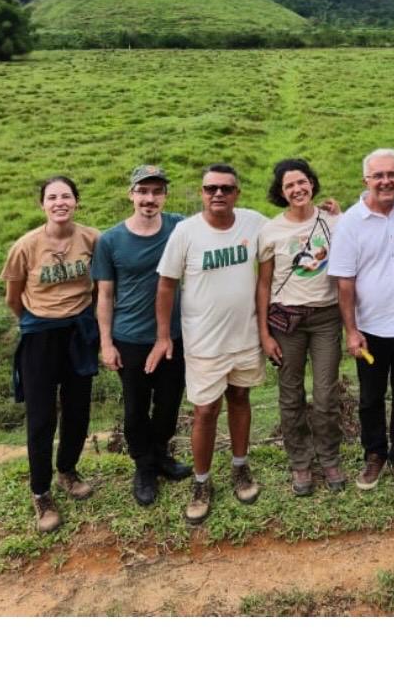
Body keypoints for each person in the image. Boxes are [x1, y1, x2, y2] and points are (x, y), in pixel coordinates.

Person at [150, 164, 267, 524]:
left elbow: (294, 226)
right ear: (202, 192)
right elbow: (167, 285)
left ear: (237, 193)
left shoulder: (254, 223)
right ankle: (201, 482)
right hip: (204, 342)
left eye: (226, 188)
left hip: (244, 335)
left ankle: (240, 467)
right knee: (204, 411)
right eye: (211, 188)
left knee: (241, 398)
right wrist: (163, 336)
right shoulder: (186, 232)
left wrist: (332, 214)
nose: (218, 194)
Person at [1, 176, 100, 533]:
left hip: (80, 333)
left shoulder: (92, 238)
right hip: (40, 337)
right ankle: (40, 492)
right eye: (52, 197)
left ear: (76, 201)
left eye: (67, 196)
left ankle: (67, 472)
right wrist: (36, 321)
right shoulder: (26, 246)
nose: (60, 202)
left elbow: (102, 285)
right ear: (42, 204)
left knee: (78, 409)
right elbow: (14, 297)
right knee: (42, 416)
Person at [93, 165, 191, 507]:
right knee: (136, 406)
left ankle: (161, 454)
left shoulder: (180, 226)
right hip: (131, 337)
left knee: (169, 403)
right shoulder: (110, 240)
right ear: (131, 194)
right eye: (143, 191)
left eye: (156, 192)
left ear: (165, 195)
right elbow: (104, 295)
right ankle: (143, 466)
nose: (149, 198)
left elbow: (221, 216)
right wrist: (106, 343)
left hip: (175, 336)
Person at [328, 149, 394, 490]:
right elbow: (345, 283)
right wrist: (351, 331)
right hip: (370, 327)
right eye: (378, 176)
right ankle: (374, 455)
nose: (386, 181)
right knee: (370, 397)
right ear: (365, 180)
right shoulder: (351, 222)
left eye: (392, 174)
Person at [256, 158, 344, 495]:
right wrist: (264, 333)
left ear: (312, 182)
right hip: (286, 321)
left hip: (326, 318)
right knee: (290, 394)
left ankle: (329, 457)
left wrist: (341, 209)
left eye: (302, 181)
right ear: (281, 192)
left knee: (325, 394)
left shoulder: (333, 221)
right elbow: (263, 284)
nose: (297, 189)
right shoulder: (271, 231)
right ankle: (300, 464)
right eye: (289, 185)